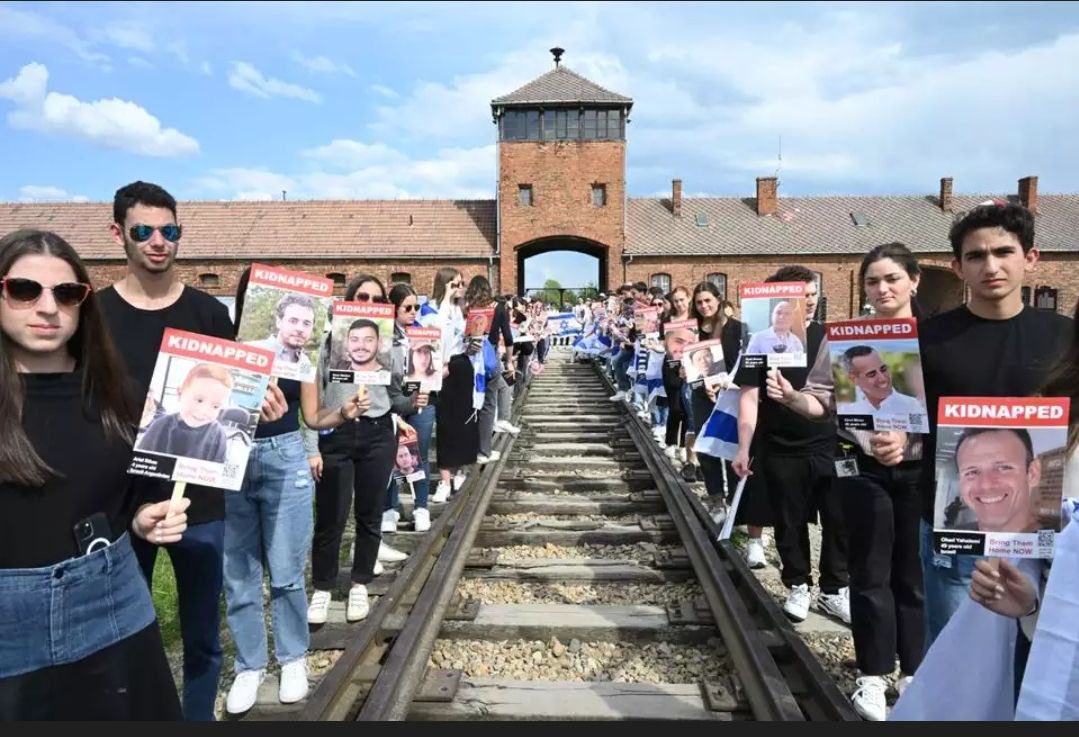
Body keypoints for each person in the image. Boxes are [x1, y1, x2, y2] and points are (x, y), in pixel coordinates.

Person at [96, 181, 286, 721]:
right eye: (144, 231)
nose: (158, 241)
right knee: (124, 631)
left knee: (202, 631)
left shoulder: (208, 314)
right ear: (119, 235)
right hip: (122, 502)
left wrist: (262, 404)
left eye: (169, 230)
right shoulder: (97, 316)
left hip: (199, 502)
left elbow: (241, 397)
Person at [0, 229, 187, 720]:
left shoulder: (117, 393)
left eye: (65, 294)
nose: (47, 307)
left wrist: (145, 518)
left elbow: (131, 496)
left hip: (112, 603)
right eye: (24, 290)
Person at [766, 248, 922, 720]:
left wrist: (908, 435)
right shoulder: (846, 337)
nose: (882, 290)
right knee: (869, 571)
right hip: (860, 465)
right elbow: (822, 401)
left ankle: (915, 671)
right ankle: (872, 675)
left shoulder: (935, 337)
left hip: (919, 468)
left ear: (914, 281)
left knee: (912, 575)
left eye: (892, 279)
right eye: (873, 282)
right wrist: (794, 399)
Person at [915, 202, 1070, 648]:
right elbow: (903, 423)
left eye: (1004, 252)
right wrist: (892, 441)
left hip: (1042, 529)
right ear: (957, 267)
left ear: (1031, 257)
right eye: (976, 256)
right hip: (955, 525)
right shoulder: (928, 339)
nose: (991, 266)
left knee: (1034, 656)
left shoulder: (1064, 338)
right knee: (954, 657)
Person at [223, 267, 318, 715]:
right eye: (292, 319)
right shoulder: (232, 344)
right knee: (238, 570)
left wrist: (345, 414)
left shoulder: (306, 359)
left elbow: (314, 417)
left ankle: (293, 657)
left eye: (306, 321)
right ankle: (250, 664)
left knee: (286, 568)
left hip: (284, 455)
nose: (298, 328)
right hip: (233, 453)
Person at [305, 274, 417, 626]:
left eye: (375, 299)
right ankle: (322, 586)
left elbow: (396, 395)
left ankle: (359, 582)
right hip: (336, 432)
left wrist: (414, 401)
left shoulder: (390, 348)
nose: (367, 304)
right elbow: (314, 400)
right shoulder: (328, 344)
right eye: (361, 297)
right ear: (348, 300)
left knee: (369, 514)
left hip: (378, 432)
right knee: (330, 515)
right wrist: (313, 448)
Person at [735, 266, 842, 618]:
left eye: (812, 294)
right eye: (800, 295)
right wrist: (743, 447)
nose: (808, 301)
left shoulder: (830, 338)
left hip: (829, 441)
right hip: (781, 442)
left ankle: (833, 588)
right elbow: (749, 397)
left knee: (838, 517)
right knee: (789, 519)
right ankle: (798, 584)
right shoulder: (759, 340)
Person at [383, 282, 434, 533]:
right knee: (392, 452)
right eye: (408, 307)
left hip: (422, 397)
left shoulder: (423, 333)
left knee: (420, 452)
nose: (413, 312)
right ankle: (389, 508)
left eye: (417, 307)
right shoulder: (384, 336)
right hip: (393, 396)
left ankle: (421, 506)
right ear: (394, 309)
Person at [135, 363, 231, 463]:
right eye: (199, 400)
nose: (203, 411)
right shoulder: (161, 424)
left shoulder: (218, 434)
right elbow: (140, 460)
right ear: (180, 394)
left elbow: (218, 470)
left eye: (215, 406)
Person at [953, 428, 1040, 533]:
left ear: (1032, 474)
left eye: (1003, 468)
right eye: (972, 472)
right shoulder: (944, 541)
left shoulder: (1060, 543)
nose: (986, 485)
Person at [837, 346, 925, 420]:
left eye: (883, 369)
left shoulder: (912, 407)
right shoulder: (847, 413)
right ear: (854, 379)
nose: (883, 378)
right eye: (871, 374)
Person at [245, 293, 316, 373]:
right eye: (293, 321)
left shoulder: (305, 363)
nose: (300, 329)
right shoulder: (249, 351)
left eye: (306, 323)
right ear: (278, 322)